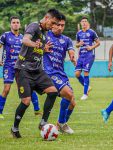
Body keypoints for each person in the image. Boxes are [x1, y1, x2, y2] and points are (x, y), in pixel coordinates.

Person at [11, 9, 62, 138]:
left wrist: (44, 49)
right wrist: (37, 45)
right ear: (46, 18)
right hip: (23, 69)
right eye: (53, 22)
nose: (53, 26)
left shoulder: (45, 33)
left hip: (37, 70)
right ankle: (14, 128)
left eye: (56, 24)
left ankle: (43, 122)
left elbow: (37, 50)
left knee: (53, 92)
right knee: (26, 101)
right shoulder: (34, 26)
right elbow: (25, 40)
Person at [0, 16, 41, 120]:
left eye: (17, 22)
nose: (16, 24)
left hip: (21, 67)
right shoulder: (5, 36)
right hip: (8, 66)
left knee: (29, 87)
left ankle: (37, 110)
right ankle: (0, 112)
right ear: (10, 24)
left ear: (20, 24)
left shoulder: (23, 37)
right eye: (13, 22)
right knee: (6, 89)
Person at [43, 13, 76, 134]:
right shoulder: (45, 36)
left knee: (72, 103)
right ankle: (62, 124)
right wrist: (42, 48)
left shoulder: (66, 40)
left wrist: (72, 56)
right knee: (68, 93)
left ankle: (60, 124)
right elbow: (35, 48)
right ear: (53, 25)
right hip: (49, 72)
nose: (60, 27)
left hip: (61, 73)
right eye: (58, 25)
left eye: (63, 25)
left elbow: (71, 49)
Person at [75, 16, 100, 100]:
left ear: (88, 23)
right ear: (81, 23)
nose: (84, 23)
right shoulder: (79, 33)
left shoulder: (92, 32)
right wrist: (79, 44)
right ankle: (88, 87)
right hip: (81, 55)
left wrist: (91, 47)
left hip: (89, 55)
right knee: (77, 74)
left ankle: (85, 94)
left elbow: (98, 43)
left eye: (85, 21)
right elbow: (76, 45)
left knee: (86, 73)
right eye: (83, 21)